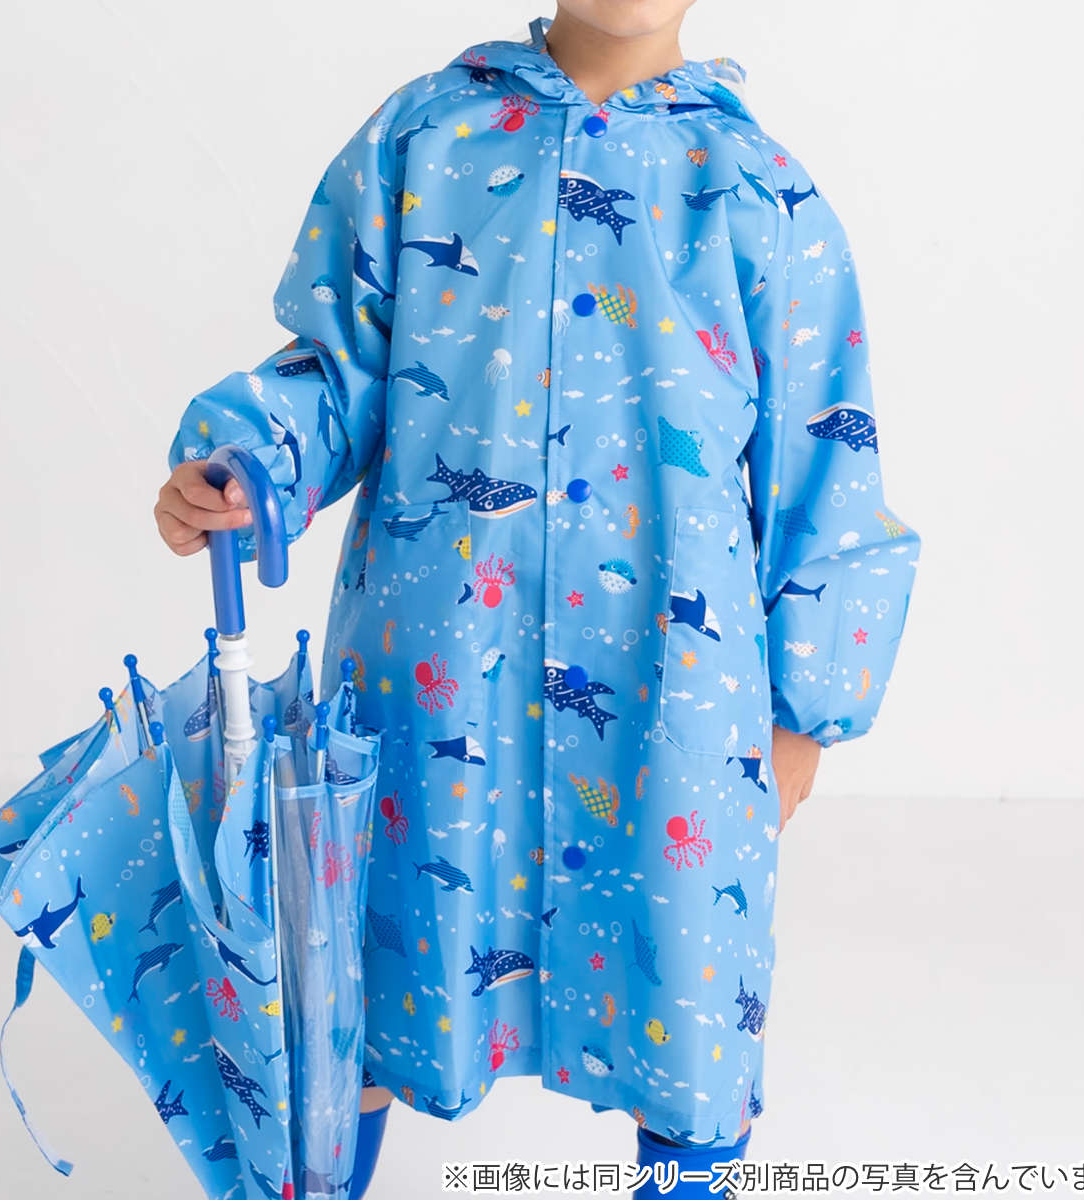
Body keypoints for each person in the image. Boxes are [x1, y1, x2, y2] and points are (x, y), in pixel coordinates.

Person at [156, 3, 922, 1195]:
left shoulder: (760, 192)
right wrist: (253, 463)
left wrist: (806, 712)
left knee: (688, 989)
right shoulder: (424, 139)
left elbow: (827, 466)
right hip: (433, 678)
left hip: (675, 703)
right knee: (366, 963)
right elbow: (336, 366)